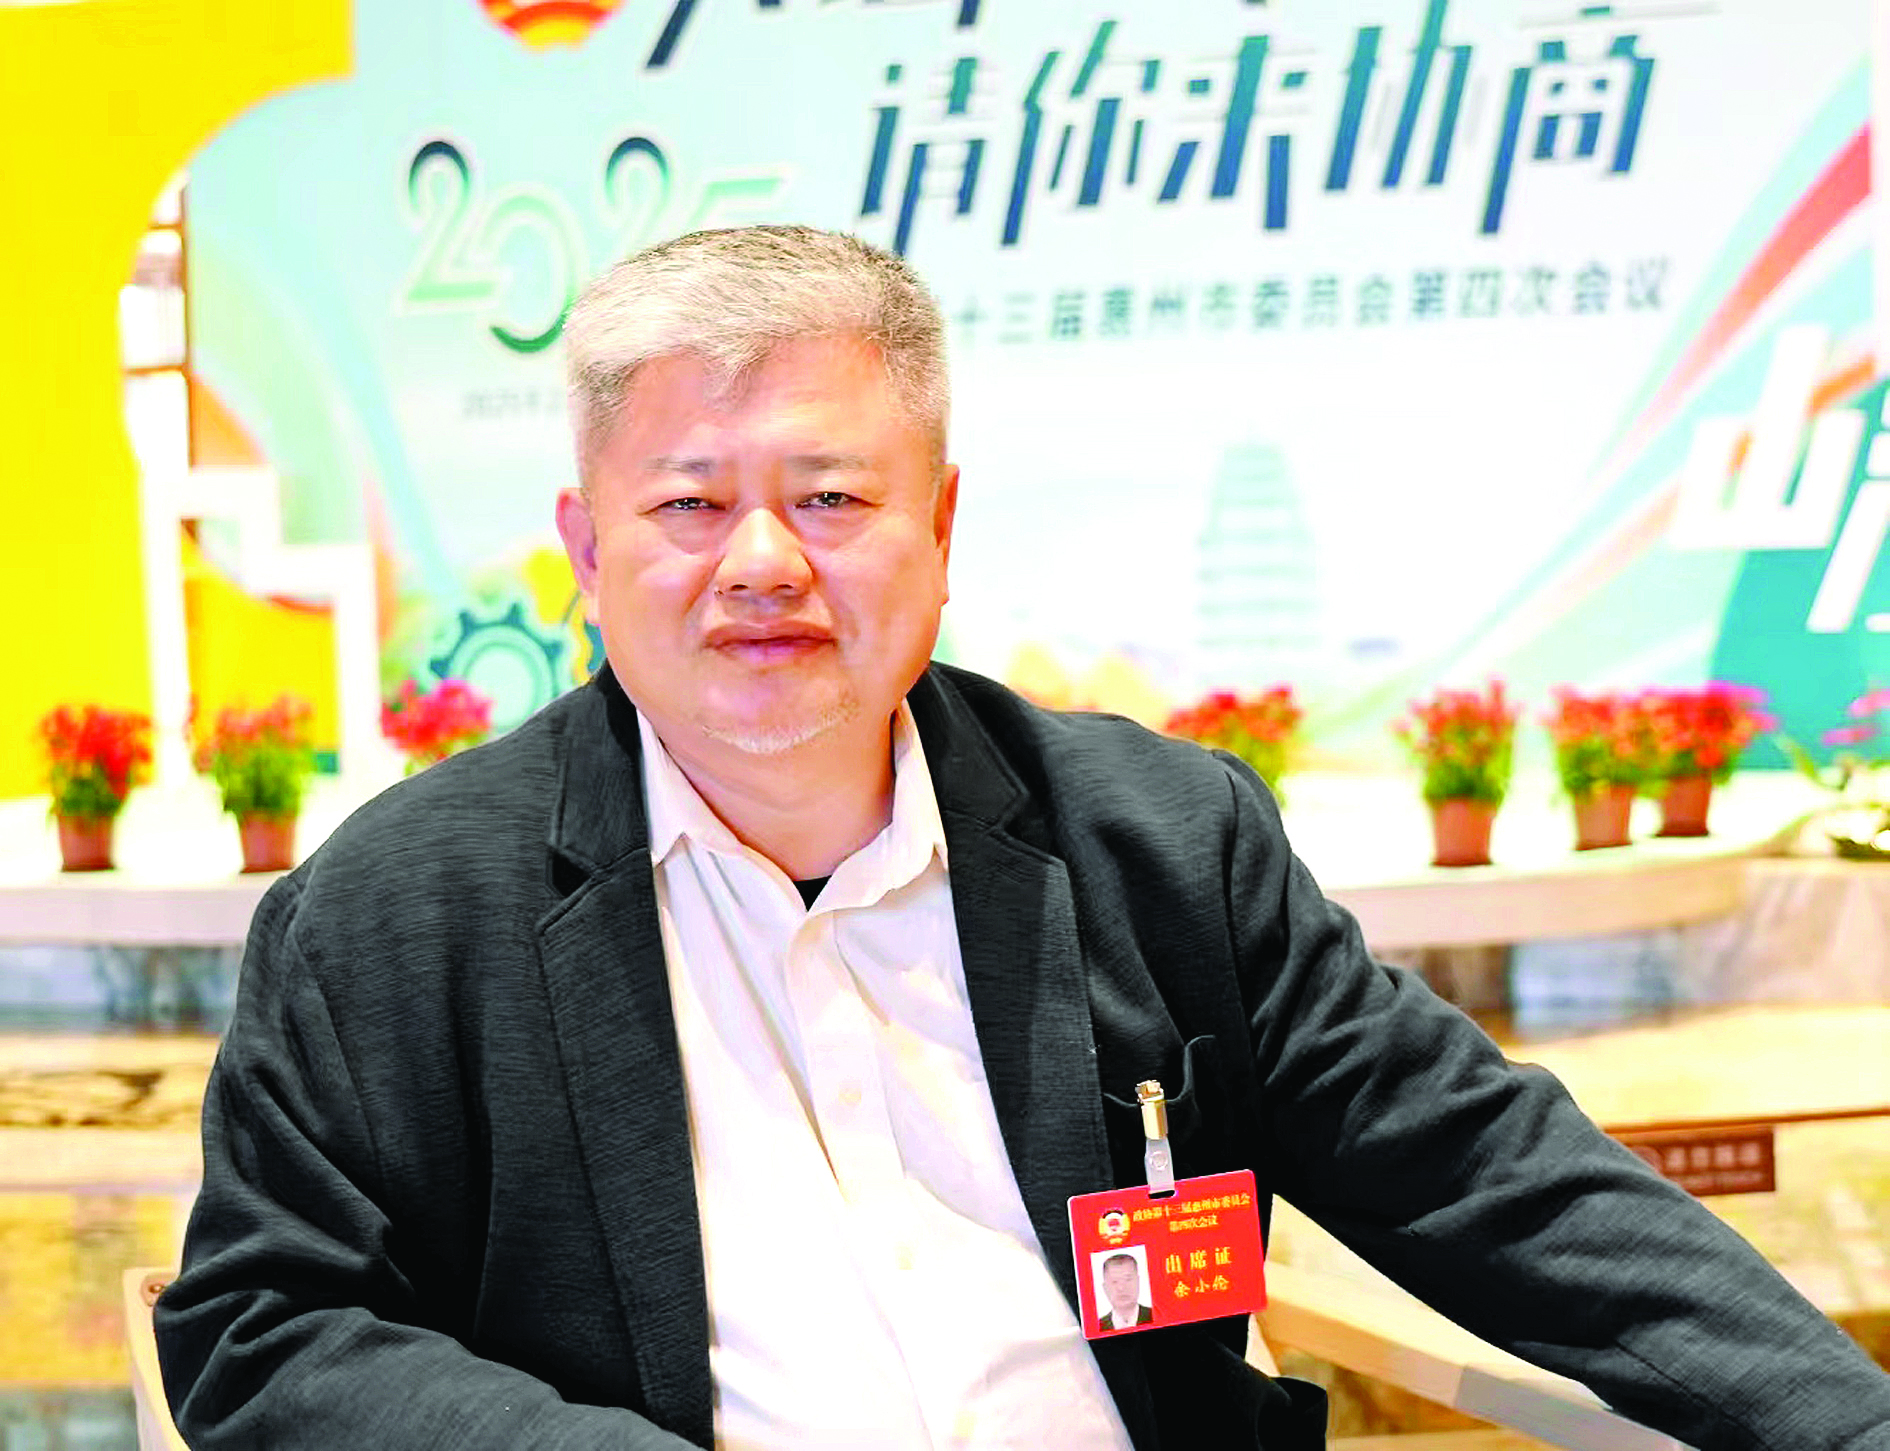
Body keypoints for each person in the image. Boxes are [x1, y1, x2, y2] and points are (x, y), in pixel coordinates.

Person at [154, 224, 1890, 1450]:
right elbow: (264, 1325)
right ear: (588, 549)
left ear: (941, 526)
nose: (761, 562)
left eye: (830, 497)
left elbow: (1487, 1172)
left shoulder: (1160, 843)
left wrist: (1841, 1420)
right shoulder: (396, 916)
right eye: (688, 502)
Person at [1097, 1254, 1154, 1332]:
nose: (1121, 1288)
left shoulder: (1156, 1316)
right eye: (1114, 1281)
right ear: (1105, 1288)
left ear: (1138, 1281)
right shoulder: (1097, 1327)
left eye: (1128, 1280)